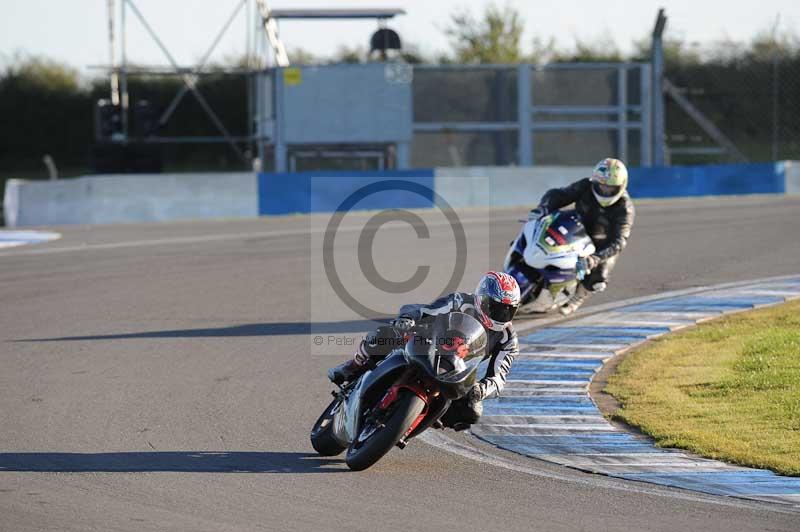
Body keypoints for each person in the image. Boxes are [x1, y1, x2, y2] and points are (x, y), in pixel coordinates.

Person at [327, 271, 521, 430]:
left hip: (458, 370)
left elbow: (498, 379)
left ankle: (414, 421)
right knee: (386, 335)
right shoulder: (460, 301)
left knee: (472, 411)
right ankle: (353, 366)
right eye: (496, 307)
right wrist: (408, 318)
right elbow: (426, 311)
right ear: (482, 298)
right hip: (428, 343)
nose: (502, 315)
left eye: (508, 310)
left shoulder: (508, 339)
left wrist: (480, 390)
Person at [529, 158, 635, 316]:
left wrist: (597, 258)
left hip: (599, 243)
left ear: (621, 186)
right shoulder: (586, 185)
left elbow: (618, 242)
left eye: (610, 188)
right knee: (535, 228)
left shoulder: (625, 209)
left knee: (598, 280)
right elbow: (559, 195)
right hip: (573, 227)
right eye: (602, 186)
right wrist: (543, 208)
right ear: (595, 182)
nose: (605, 191)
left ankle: (579, 296)